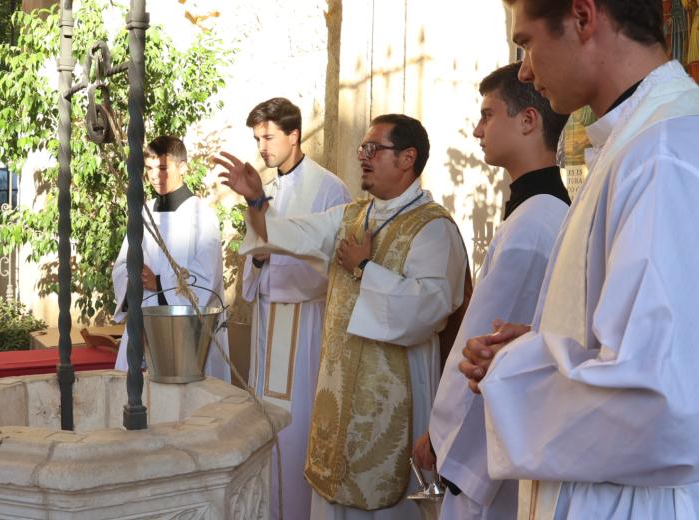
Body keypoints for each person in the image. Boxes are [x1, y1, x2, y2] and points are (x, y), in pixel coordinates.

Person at [460, 1, 699, 518]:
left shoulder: (662, 153)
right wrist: (546, 340)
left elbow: (659, 398)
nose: (524, 69)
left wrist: (516, 368)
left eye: (526, 44)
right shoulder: (637, 141)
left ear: (584, 17)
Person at [216, 113, 470, 520]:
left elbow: (431, 308)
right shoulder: (354, 215)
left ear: (408, 158)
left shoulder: (433, 228)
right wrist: (256, 200)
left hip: (395, 392)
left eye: (374, 149)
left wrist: (365, 269)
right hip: (340, 393)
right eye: (362, 149)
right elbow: (292, 234)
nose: (364, 157)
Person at [412, 62, 570, 519]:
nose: (478, 129)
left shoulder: (533, 223)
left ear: (528, 121)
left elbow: (482, 346)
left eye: (488, 114)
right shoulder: (541, 211)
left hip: (489, 444)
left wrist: (442, 438)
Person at [241, 97, 350, 520]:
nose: (262, 147)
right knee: (263, 427)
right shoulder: (263, 188)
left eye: (268, 137)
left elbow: (331, 264)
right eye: (257, 139)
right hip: (268, 321)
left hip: (305, 322)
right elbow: (254, 254)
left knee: (298, 426)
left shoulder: (329, 188)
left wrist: (276, 257)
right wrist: (259, 259)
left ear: (294, 135)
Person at [112, 135, 229, 382]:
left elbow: (208, 276)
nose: (155, 176)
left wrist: (160, 284)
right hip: (143, 321)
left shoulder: (201, 216)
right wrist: (132, 273)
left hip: (186, 333)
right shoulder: (144, 213)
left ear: (182, 167)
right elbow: (122, 264)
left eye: (163, 168)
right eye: (150, 169)